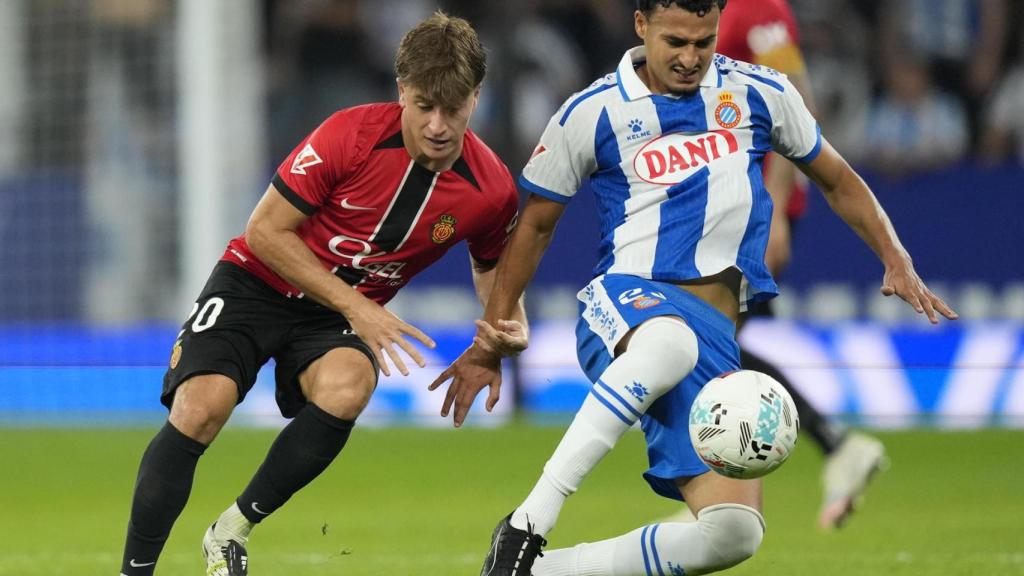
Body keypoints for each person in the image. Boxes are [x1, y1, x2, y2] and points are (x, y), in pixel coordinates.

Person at [431, 1, 958, 575]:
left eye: (703, 43)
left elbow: (837, 178)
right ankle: (526, 525)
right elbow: (535, 222)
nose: (689, 58)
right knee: (669, 344)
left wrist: (894, 256)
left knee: (733, 533)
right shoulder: (592, 111)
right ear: (641, 26)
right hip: (629, 301)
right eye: (675, 41)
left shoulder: (761, 93)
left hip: (715, 338)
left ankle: (537, 573)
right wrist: (491, 339)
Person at [118, 12, 524, 576]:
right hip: (257, 283)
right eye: (424, 105)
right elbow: (265, 231)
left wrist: (498, 338)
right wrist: (359, 306)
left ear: (476, 98)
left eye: (452, 109)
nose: (437, 125)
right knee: (200, 407)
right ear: (401, 89)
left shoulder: (492, 189)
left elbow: (493, 268)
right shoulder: (348, 135)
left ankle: (230, 531)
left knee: (349, 384)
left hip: (329, 320)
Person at [713, 0, 889, 530]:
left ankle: (728, 504)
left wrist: (776, 209)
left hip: (755, 209)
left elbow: (797, 102)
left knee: (708, 349)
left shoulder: (758, 7)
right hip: (726, 205)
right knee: (712, 351)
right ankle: (833, 447)